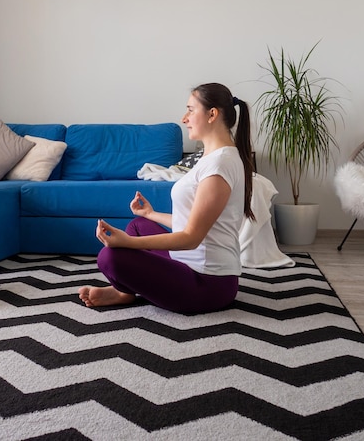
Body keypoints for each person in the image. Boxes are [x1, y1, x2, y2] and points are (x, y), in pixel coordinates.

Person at [78, 83, 254, 314]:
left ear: (212, 114)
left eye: (191, 110)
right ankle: (125, 292)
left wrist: (126, 243)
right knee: (138, 225)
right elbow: (193, 221)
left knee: (110, 256)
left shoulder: (220, 165)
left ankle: (124, 291)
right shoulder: (212, 158)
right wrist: (150, 214)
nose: (184, 118)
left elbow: (191, 237)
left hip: (208, 284)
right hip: (188, 265)